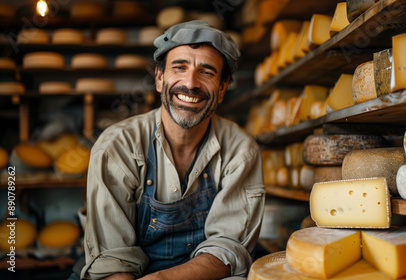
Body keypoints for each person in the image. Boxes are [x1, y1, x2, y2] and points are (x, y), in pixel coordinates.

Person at [79, 20, 266, 279]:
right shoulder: (117, 146)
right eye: (179, 67)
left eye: (207, 72)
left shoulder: (241, 150)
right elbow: (112, 260)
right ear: (159, 78)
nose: (190, 84)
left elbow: (228, 249)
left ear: (222, 88)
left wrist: (160, 278)